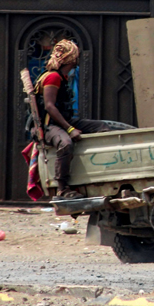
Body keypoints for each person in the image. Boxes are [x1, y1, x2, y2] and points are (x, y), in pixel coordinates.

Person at [33, 40, 109, 200]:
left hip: (61, 122)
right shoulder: (53, 77)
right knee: (66, 143)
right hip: (48, 126)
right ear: (71, 58)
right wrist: (70, 129)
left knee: (101, 126)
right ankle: (62, 188)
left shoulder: (63, 77)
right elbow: (49, 107)